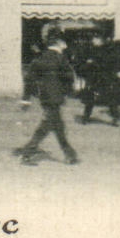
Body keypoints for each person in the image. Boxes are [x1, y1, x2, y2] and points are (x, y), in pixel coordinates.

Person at [15, 36, 78, 165]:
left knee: (57, 126)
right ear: (59, 43)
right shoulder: (61, 59)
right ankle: (27, 153)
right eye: (63, 42)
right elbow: (69, 77)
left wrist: (26, 99)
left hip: (45, 97)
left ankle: (70, 154)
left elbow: (29, 79)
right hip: (56, 97)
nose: (65, 45)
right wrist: (69, 91)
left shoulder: (40, 58)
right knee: (47, 126)